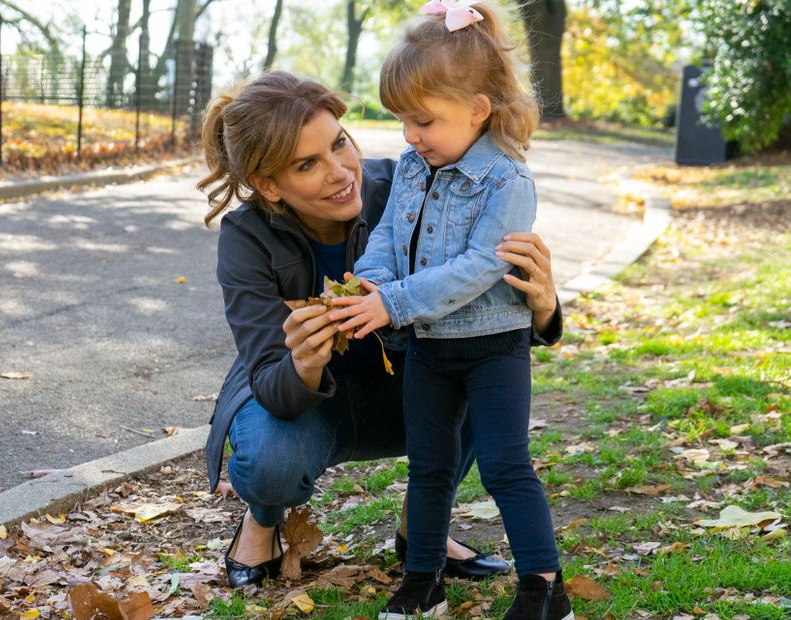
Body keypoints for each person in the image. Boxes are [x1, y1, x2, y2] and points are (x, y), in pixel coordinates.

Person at [196, 71, 563, 597]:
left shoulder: (408, 185)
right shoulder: (246, 238)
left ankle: (422, 532)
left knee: (479, 380)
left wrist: (545, 307)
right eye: (307, 164)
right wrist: (304, 361)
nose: (341, 172)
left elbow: (487, 318)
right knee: (271, 460)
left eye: (339, 143)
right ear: (270, 185)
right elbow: (270, 381)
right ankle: (262, 520)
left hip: (407, 386)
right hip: (304, 404)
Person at [328, 3, 571, 619]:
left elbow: (478, 268)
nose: (409, 136)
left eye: (423, 121)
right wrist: (374, 283)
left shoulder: (506, 182)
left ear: (477, 109)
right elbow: (384, 234)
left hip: (495, 347)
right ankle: (423, 578)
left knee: (505, 466)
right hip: (429, 350)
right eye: (402, 121)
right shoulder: (415, 167)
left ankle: (544, 588)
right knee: (430, 468)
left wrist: (396, 303)